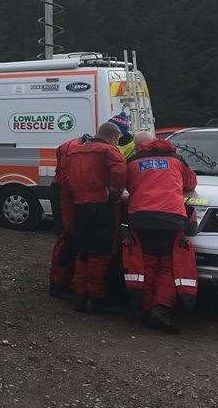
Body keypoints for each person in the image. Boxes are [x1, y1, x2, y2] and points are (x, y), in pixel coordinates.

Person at [123, 131, 198, 333]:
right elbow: (191, 183)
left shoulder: (132, 161)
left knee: (146, 264)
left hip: (141, 218)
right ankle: (160, 308)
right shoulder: (175, 158)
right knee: (168, 266)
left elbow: (125, 185)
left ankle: (146, 310)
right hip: (171, 219)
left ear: (137, 146)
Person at [61, 122, 127, 314]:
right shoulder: (108, 151)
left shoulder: (74, 153)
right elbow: (120, 171)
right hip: (101, 207)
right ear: (113, 138)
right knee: (100, 252)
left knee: (82, 251)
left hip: (79, 207)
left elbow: (65, 184)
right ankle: (96, 296)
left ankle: (80, 295)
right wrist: (115, 192)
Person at [48, 134, 90, 299]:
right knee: (67, 240)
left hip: (60, 191)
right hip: (65, 195)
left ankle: (59, 283)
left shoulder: (70, 146)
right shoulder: (75, 150)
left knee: (65, 239)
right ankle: (60, 285)